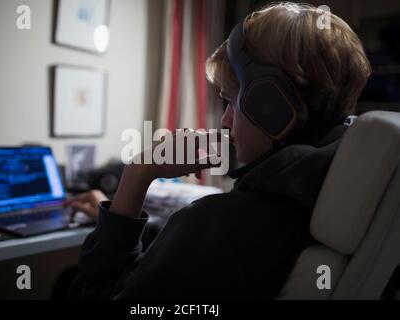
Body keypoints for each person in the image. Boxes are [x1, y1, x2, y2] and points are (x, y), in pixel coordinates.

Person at [66, 2, 370, 299]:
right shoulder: (338, 189)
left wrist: (138, 172)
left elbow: (93, 293)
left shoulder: (221, 223)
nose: (225, 121)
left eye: (230, 101)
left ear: (271, 106)